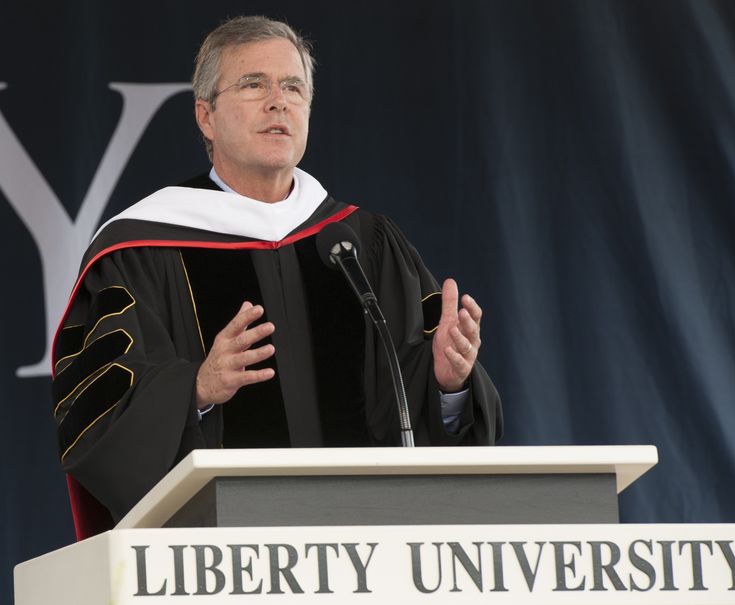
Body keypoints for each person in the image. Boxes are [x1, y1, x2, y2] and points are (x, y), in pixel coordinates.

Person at [52, 16, 502, 539]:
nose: (278, 101)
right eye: (253, 84)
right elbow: (96, 419)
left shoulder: (362, 242)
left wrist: (448, 384)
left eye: (293, 87)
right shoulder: (141, 250)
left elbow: (417, 423)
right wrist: (194, 390)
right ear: (206, 116)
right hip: (218, 560)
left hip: (365, 549)